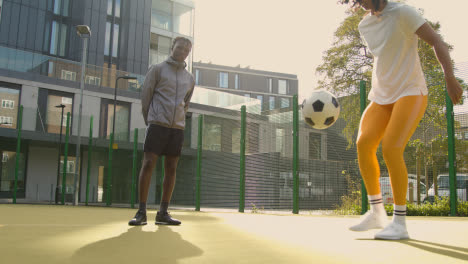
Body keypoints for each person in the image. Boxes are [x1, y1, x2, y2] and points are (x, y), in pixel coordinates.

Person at [341, 0, 463, 239]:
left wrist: (449, 77)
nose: (360, 2)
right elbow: (386, 57)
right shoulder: (365, 25)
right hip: (381, 96)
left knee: (392, 148)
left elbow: (437, 41)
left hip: (410, 91)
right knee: (363, 144)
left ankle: (400, 222)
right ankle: (376, 212)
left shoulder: (404, 12)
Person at [128, 37, 195, 226]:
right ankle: (141, 212)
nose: (182, 51)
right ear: (172, 47)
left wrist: (179, 120)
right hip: (157, 124)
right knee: (148, 163)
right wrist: (151, 120)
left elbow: (186, 103)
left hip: (177, 128)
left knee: (172, 168)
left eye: (186, 49)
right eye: (179, 47)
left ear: (189, 52)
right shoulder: (157, 69)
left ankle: (163, 213)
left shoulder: (190, 78)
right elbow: (146, 98)